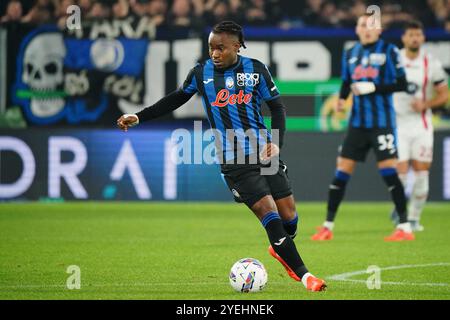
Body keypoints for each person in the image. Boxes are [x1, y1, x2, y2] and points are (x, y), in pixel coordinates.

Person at [117, 21, 326, 291]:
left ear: (237, 46)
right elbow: (175, 99)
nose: (214, 53)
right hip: (234, 160)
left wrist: (277, 142)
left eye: (220, 48)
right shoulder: (200, 73)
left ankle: (280, 249)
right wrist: (139, 116)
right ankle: (308, 277)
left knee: (290, 218)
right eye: (210, 48)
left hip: (265, 154)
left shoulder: (256, 70)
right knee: (270, 215)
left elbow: (278, 108)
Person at [311, 13, 414, 242]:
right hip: (357, 125)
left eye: (371, 25)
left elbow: (402, 84)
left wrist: (373, 87)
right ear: (357, 30)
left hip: (382, 124)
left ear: (379, 30)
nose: (367, 29)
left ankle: (405, 228)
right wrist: (341, 99)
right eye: (362, 25)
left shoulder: (389, 51)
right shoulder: (350, 54)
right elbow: (347, 83)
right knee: (341, 173)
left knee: (389, 174)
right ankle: (327, 226)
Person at [391, 21, 449, 231]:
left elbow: (444, 94)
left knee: (422, 172)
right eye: (411, 35)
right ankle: (401, 211)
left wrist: (426, 104)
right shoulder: (393, 59)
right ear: (404, 38)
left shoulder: (430, 63)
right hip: (397, 124)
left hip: (421, 124)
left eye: (418, 34)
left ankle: (414, 218)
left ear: (423, 38)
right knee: (400, 174)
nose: (415, 38)